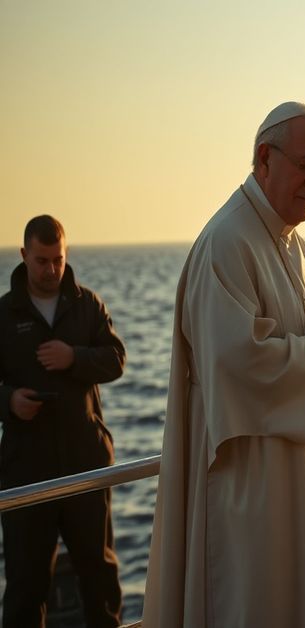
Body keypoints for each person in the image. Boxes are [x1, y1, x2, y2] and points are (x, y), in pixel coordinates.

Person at [143, 102, 305, 627]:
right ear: (265, 159)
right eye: (304, 165)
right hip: (252, 490)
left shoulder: (296, 247)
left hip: (303, 486)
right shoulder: (226, 242)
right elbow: (234, 361)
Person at [0, 215, 125, 627]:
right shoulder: (4, 315)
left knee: (100, 578)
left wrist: (75, 358)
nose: (51, 269)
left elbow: (116, 359)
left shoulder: (87, 304)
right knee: (26, 587)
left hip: (85, 464)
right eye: (42, 261)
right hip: (26, 470)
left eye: (58, 259)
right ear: (24, 255)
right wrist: (9, 401)